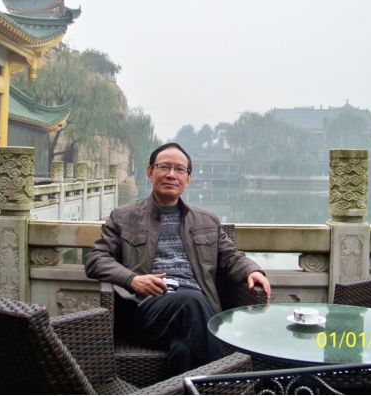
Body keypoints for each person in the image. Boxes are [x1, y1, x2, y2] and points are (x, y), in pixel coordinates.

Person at [85, 142, 271, 375]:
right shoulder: (123, 217)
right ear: (150, 172)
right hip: (144, 309)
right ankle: (228, 382)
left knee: (184, 350)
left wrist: (252, 270)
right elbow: (95, 258)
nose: (171, 174)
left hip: (197, 311)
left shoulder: (206, 220)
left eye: (179, 169)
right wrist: (132, 280)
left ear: (188, 178)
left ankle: (187, 387)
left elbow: (231, 256)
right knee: (191, 301)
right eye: (164, 167)